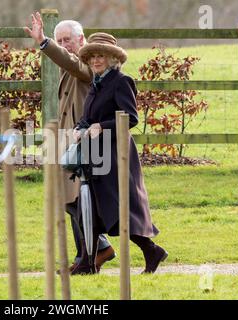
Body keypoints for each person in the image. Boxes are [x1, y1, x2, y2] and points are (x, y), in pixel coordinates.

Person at [24, 12, 116, 274]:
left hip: (88, 143)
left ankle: (90, 255)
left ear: (82, 40)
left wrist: (44, 42)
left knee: (78, 201)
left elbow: (72, 62)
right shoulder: (71, 67)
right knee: (70, 201)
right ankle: (95, 250)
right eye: (59, 40)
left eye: (68, 40)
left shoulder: (87, 67)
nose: (64, 45)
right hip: (70, 140)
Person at [72, 32, 168, 275]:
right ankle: (86, 262)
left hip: (116, 156)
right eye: (92, 56)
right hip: (95, 153)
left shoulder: (121, 81)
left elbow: (131, 118)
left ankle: (151, 250)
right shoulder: (96, 83)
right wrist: (79, 127)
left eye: (101, 56)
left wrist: (101, 127)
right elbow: (88, 117)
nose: (95, 61)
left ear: (112, 58)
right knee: (88, 207)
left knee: (118, 211)